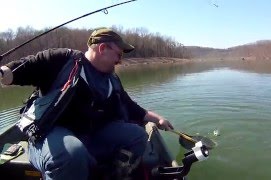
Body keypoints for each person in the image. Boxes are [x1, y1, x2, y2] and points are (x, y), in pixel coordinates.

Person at [0, 27, 174, 180]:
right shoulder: (62, 60)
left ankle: (112, 175)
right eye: (118, 54)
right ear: (103, 48)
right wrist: (3, 72)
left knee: (137, 135)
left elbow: (130, 106)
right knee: (71, 153)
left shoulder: (112, 79)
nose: (120, 60)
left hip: (89, 136)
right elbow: (21, 68)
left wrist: (157, 119)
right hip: (47, 137)